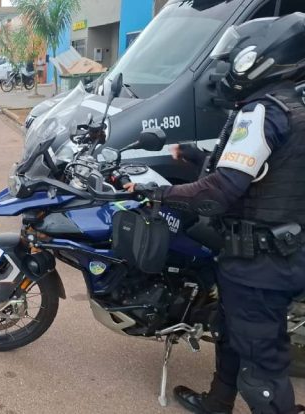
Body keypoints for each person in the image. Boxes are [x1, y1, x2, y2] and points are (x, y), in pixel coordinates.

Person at [124, 14, 305, 414]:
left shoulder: (263, 111)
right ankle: (218, 402)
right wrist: (197, 157)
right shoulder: (289, 106)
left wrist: (160, 193)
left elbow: (220, 192)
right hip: (265, 254)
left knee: (263, 368)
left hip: (261, 260)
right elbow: (261, 172)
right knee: (231, 331)